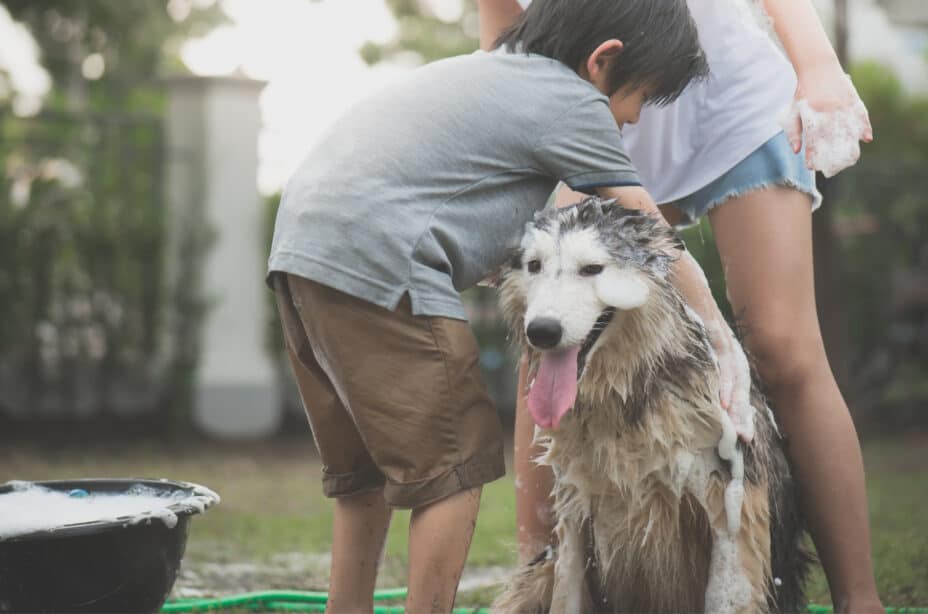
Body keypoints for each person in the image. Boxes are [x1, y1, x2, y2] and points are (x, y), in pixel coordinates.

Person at [266, 1, 711, 611]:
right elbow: (648, 229)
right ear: (603, 60)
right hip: (384, 257)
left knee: (363, 472)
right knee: (457, 464)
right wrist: (715, 334)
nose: (631, 121)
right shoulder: (570, 99)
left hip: (301, 255)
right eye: (638, 99)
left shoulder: (491, 72)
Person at [478, 1, 883, 612]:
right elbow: (504, 22)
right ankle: (541, 589)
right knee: (554, 333)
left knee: (781, 344)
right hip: (589, 105)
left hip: (730, 99)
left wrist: (817, 64)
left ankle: (860, 600)